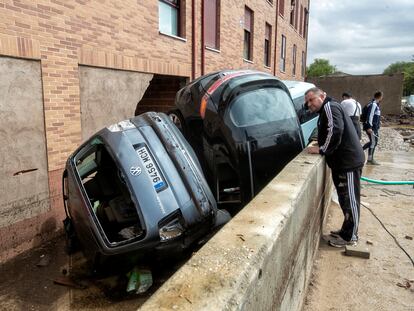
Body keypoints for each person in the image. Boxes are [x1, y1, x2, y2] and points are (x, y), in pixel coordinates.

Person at [305, 87, 365, 247]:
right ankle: (346, 231)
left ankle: (351, 237)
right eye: (307, 102)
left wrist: (322, 149)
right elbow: (329, 130)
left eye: (311, 100)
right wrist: (322, 142)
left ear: (322, 96)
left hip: (349, 162)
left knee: (351, 200)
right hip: (342, 163)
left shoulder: (329, 107)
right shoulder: (325, 110)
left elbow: (336, 129)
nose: (309, 104)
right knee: (345, 200)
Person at [362, 91, 383, 165]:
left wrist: (378, 121)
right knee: (373, 142)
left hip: (373, 127)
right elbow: (370, 116)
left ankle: (361, 152)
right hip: (372, 128)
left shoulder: (372, 104)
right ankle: (370, 160)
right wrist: (369, 127)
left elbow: (373, 116)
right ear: (380, 97)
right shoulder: (373, 104)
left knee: (373, 142)